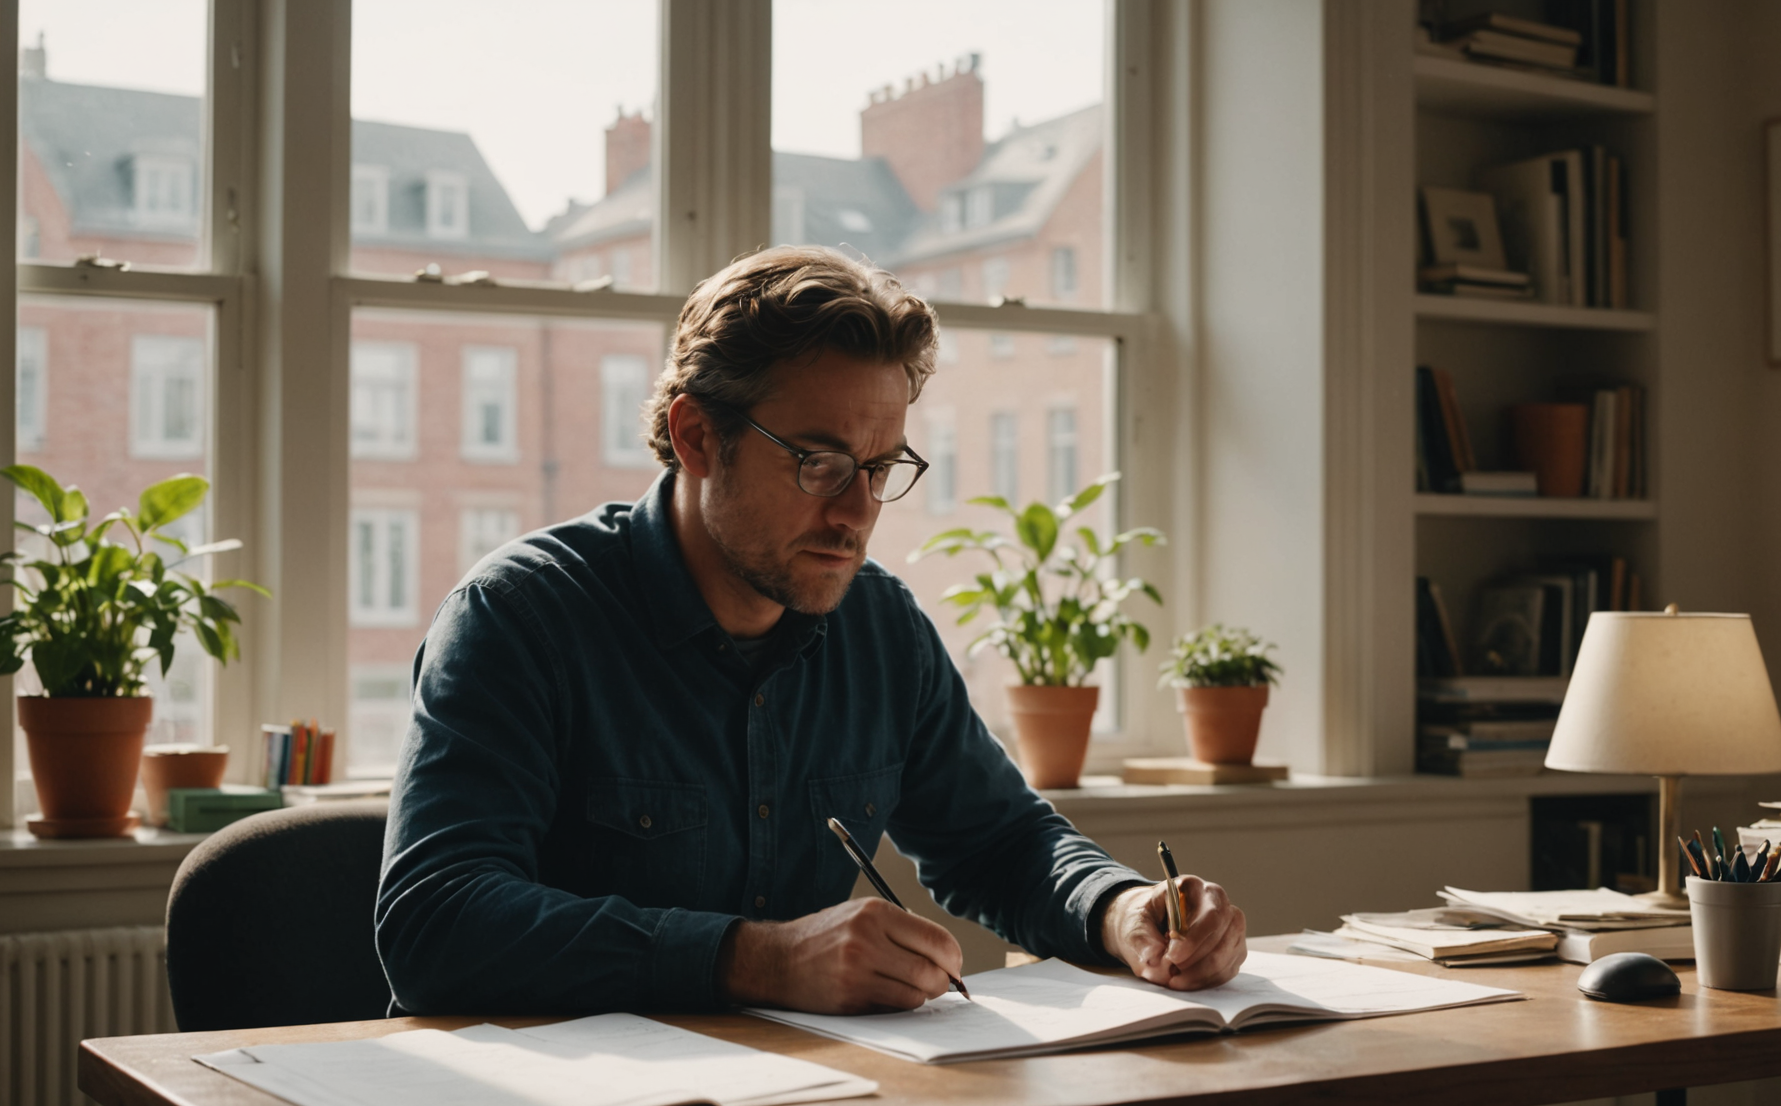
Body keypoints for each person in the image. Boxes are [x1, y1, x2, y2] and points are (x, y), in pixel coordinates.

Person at [375, 245, 1249, 1017]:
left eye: (881, 467)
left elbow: (1000, 842)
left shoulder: (879, 625)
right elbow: (436, 923)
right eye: (820, 462)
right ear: (696, 436)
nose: (858, 512)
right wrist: (757, 958)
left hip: (807, 1105)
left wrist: (1120, 908)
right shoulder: (520, 618)